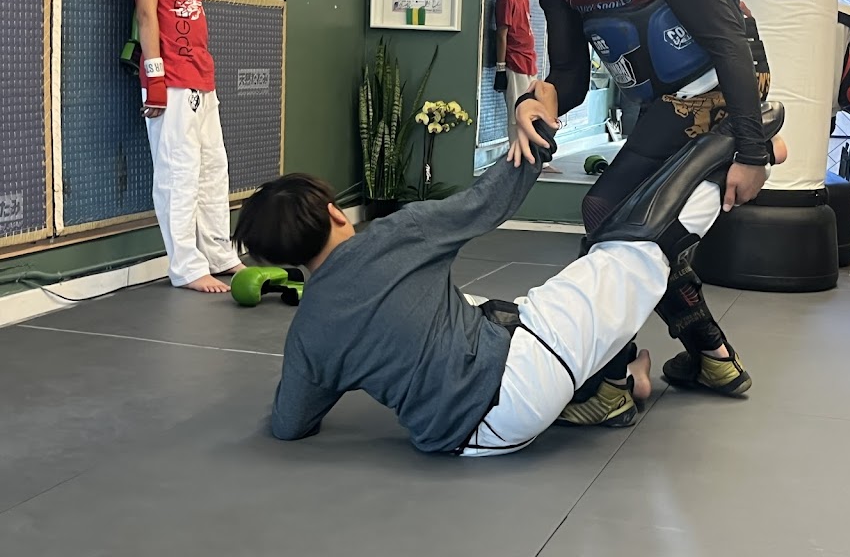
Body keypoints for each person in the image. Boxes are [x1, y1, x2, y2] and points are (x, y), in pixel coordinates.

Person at [231, 82, 786, 455]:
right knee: (629, 250)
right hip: (521, 381)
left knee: (494, 309)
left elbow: (290, 423)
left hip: (468, 444)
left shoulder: (308, 334)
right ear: (336, 213)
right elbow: (489, 201)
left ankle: (621, 382)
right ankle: (733, 151)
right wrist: (539, 134)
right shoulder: (395, 235)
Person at [493, 0, 773, 427]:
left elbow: (726, 38)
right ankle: (711, 356)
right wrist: (534, 102)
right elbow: (569, 78)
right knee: (640, 230)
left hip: (721, 89)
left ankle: (612, 382)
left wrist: (753, 152)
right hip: (665, 106)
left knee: (606, 216)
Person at [128, 0, 245, 293]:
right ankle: (186, 267)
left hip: (200, 75)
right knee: (178, 173)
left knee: (213, 169)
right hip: (170, 77)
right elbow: (146, 12)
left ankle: (219, 253)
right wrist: (154, 75)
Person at [493, 0, 561, 174]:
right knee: (518, 112)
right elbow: (502, 34)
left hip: (528, 60)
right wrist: (501, 67)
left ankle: (538, 157)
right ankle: (519, 158)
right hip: (515, 62)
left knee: (535, 108)